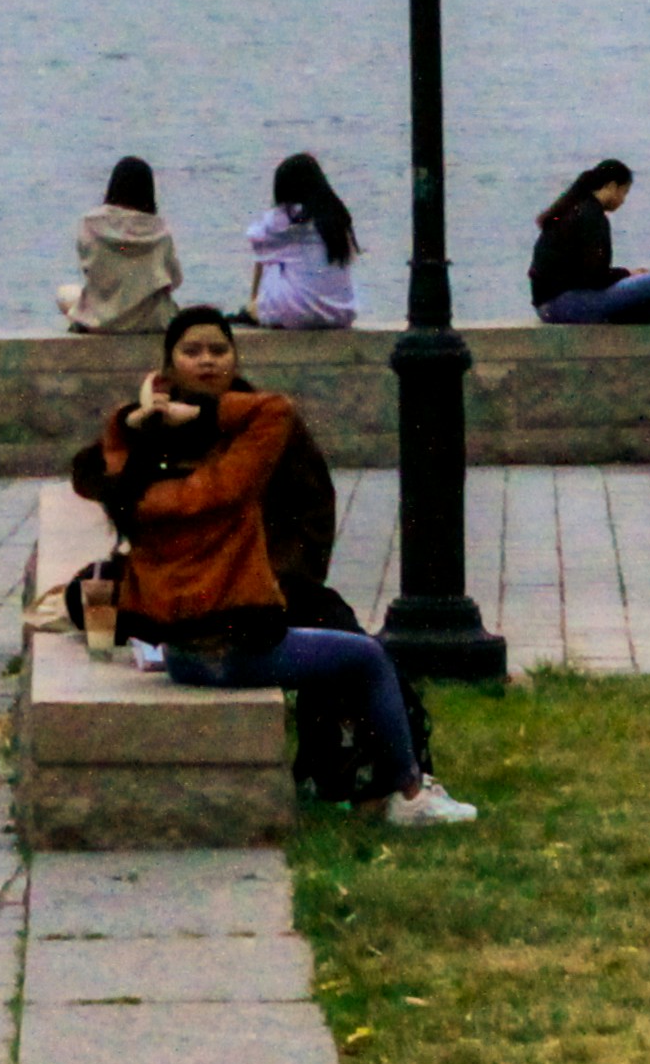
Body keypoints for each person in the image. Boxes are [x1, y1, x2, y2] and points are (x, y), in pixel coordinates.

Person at [69, 308, 472, 825]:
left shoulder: (136, 480)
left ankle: (341, 771)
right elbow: (274, 411)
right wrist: (196, 416)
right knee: (366, 657)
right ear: (168, 364)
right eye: (192, 352)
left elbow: (106, 462)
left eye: (218, 350)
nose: (208, 361)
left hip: (185, 646)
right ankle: (410, 792)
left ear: (235, 357)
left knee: (329, 627)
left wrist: (130, 419)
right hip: (236, 635)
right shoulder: (233, 474)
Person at [528, 161, 650, 326]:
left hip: (547, 304)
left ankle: (617, 315)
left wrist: (627, 273)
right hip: (562, 306)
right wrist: (628, 274)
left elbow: (586, 274)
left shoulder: (572, 208)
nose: (623, 200)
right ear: (611, 186)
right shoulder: (592, 217)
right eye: (624, 192)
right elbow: (595, 278)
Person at [65, 157, 184, 333]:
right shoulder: (160, 230)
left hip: (99, 321)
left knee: (65, 294)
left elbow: (87, 268)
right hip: (152, 321)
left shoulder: (89, 223)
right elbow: (175, 279)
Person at [244, 154, 360, 331]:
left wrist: (253, 300)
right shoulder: (337, 218)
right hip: (340, 312)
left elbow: (255, 241)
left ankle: (254, 305)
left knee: (268, 256)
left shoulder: (285, 218)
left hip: (296, 313)